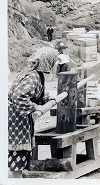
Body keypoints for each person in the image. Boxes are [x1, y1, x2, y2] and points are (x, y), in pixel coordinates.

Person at [8, 47, 68, 178]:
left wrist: (47, 99)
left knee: (20, 152)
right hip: (17, 118)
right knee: (17, 151)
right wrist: (35, 107)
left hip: (20, 117)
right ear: (48, 62)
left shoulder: (34, 73)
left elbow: (34, 95)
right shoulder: (33, 76)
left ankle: (18, 176)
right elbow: (19, 96)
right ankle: (16, 178)